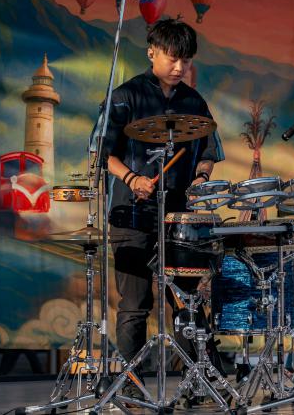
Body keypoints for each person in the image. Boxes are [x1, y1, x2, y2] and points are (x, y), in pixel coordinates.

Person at [101, 19, 224, 387]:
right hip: (131, 213)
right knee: (134, 304)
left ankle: (194, 381)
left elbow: (208, 153)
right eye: (173, 58)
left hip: (178, 217)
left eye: (186, 60)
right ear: (151, 52)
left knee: (185, 301)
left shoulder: (193, 102)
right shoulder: (125, 96)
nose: (180, 67)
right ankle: (131, 384)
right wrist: (132, 179)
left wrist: (201, 178)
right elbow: (104, 154)